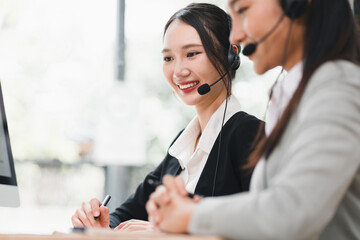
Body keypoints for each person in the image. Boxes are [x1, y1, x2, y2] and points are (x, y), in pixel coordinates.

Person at [146, 0, 360, 239]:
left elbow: (292, 212)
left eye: (243, 10)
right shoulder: (293, 96)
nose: (236, 36)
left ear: (296, 4)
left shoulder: (337, 87)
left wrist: (191, 215)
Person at [71, 3, 262, 232]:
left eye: (192, 54)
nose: (178, 70)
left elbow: (263, 224)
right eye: (168, 58)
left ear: (229, 55)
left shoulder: (250, 135)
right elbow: (127, 213)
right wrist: (102, 224)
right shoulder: (181, 146)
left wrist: (163, 232)